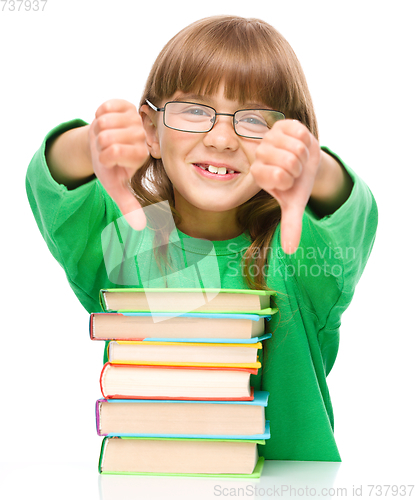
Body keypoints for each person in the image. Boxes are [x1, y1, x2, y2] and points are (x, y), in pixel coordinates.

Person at [26, 15, 378, 462]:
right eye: (195, 110)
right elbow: (51, 186)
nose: (221, 138)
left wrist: (318, 171)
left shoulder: (299, 255)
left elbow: (353, 213)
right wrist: (86, 145)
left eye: (254, 119)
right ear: (150, 130)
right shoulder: (127, 242)